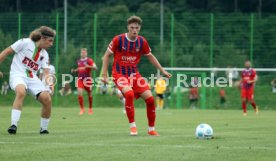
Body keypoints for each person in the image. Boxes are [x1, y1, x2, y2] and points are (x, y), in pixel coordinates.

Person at [102, 15, 171, 136]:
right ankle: (133, 127)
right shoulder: (118, 39)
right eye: (132, 27)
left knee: (150, 99)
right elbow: (106, 55)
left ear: (139, 28)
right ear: (128, 27)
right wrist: (104, 74)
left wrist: (162, 70)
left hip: (134, 75)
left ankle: (151, 129)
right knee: (129, 94)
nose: (134, 30)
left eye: (137, 28)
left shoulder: (142, 41)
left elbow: (150, 56)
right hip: (119, 74)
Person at [0, 26, 56, 134]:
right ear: (43, 38)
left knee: (47, 99)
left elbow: (46, 72)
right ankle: (13, 125)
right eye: (50, 41)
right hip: (17, 74)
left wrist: (50, 85)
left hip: (32, 78)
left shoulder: (44, 54)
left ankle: (43, 129)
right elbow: (6, 52)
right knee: (21, 92)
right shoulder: (24, 42)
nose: (51, 44)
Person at [71, 48, 97, 115]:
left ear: (86, 53)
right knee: (79, 93)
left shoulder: (89, 60)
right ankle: (82, 109)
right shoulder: (79, 61)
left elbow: (95, 68)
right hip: (80, 79)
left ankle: (90, 109)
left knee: (90, 94)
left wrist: (89, 66)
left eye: (84, 52)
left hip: (88, 80)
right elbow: (80, 68)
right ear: (80, 53)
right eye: (82, 52)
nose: (83, 53)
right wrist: (74, 71)